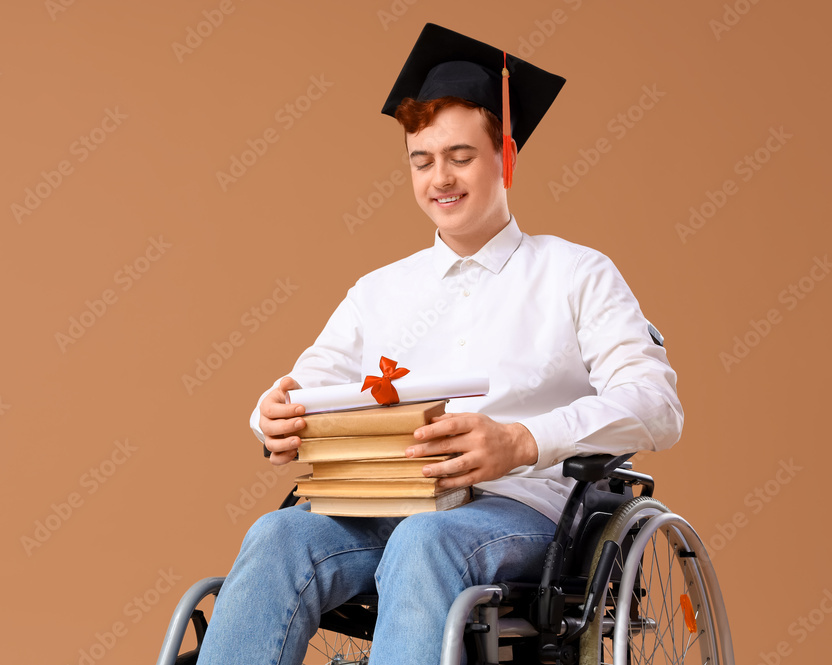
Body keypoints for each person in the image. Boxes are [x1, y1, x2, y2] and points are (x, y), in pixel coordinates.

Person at [196, 23, 683, 665]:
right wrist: (271, 414)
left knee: (426, 542)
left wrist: (520, 442)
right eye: (422, 161)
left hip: (526, 513)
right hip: (387, 505)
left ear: (505, 156)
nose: (439, 179)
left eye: (460, 156)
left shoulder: (576, 273)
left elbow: (655, 404)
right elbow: (305, 387)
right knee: (279, 534)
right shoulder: (379, 291)